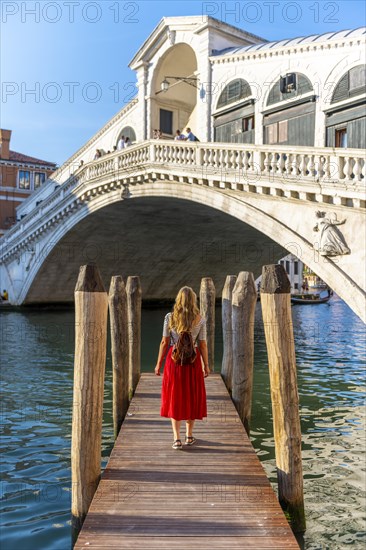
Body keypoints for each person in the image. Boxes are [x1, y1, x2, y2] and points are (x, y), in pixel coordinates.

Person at [155, 286, 209, 450]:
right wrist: (206, 365)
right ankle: (189, 435)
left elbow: (165, 342)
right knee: (191, 395)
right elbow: (203, 344)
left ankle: (176, 439)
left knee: (175, 396)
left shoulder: (170, 317)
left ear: (178, 300)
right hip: (192, 362)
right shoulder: (200, 319)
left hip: (174, 360)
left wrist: (158, 363)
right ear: (193, 300)